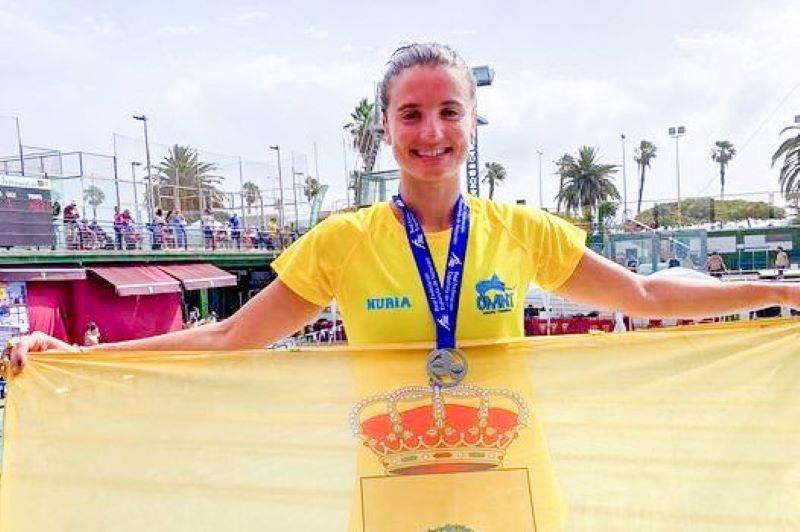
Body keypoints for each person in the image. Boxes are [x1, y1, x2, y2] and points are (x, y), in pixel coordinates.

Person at [7, 42, 800, 375]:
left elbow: (648, 293)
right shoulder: (341, 242)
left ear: (472, 124)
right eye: (411, 114)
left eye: (449, 111)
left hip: (511, 476)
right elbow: (226, 335)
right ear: (385, 128)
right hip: (387, 482)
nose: (431, 132)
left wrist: (782, 290)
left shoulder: (521, 232)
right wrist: (75, 357)